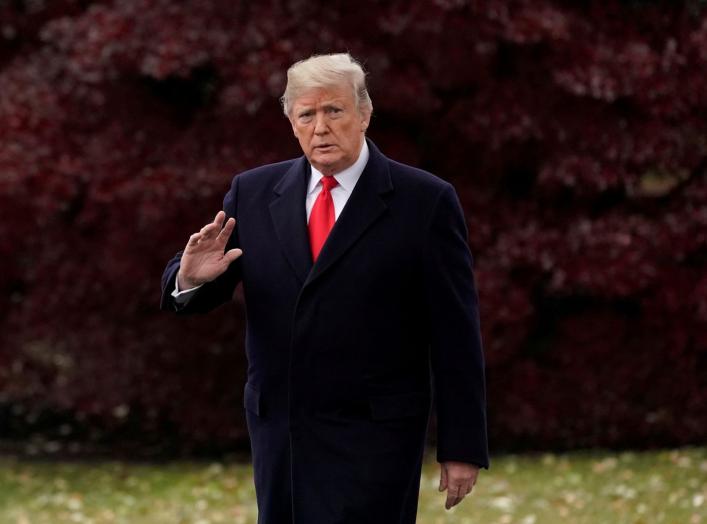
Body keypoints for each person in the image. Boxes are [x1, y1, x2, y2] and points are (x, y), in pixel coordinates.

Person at [161, 53, 489, 524]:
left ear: (364, 114)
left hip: (377, 437)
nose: (320, 127)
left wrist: (462, 445)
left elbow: (456, 333)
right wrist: (189, 278)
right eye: (306, 114)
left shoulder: (426, 201)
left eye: (334, 111)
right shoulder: (252, 192)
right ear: (292, 123)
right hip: (282, 435)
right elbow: (199, 288)